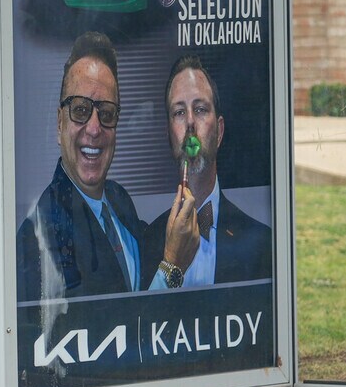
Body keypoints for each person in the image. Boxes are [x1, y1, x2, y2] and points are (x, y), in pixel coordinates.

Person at [15, 32, 149, 302]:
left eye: (107, 113)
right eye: (80, 110)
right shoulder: (39, 236)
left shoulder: (119, 199)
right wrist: (170, 267)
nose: (94, 128)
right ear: (59, 123)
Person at [149, 54, 271, 290]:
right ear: (169, 135)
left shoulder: (261, 243)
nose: (191, 123)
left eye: (201, 109)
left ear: (220, 131)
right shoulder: (146, 243)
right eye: (179, 112)